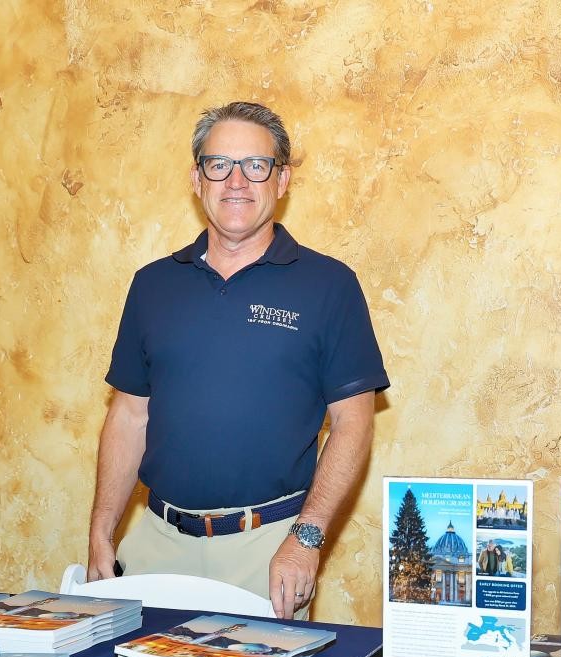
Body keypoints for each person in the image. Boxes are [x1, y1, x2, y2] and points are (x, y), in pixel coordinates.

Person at [87, 101, 388, 618]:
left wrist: (307, 538)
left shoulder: (329, 286)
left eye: (256, 165)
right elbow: (129, 415)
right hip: (157, 544)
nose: (236, 182)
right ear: (196, 178)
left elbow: (353, 423)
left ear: (282, 180)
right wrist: (101, 531)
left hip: (267, 553)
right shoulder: (152, 286)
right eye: (219, 164)